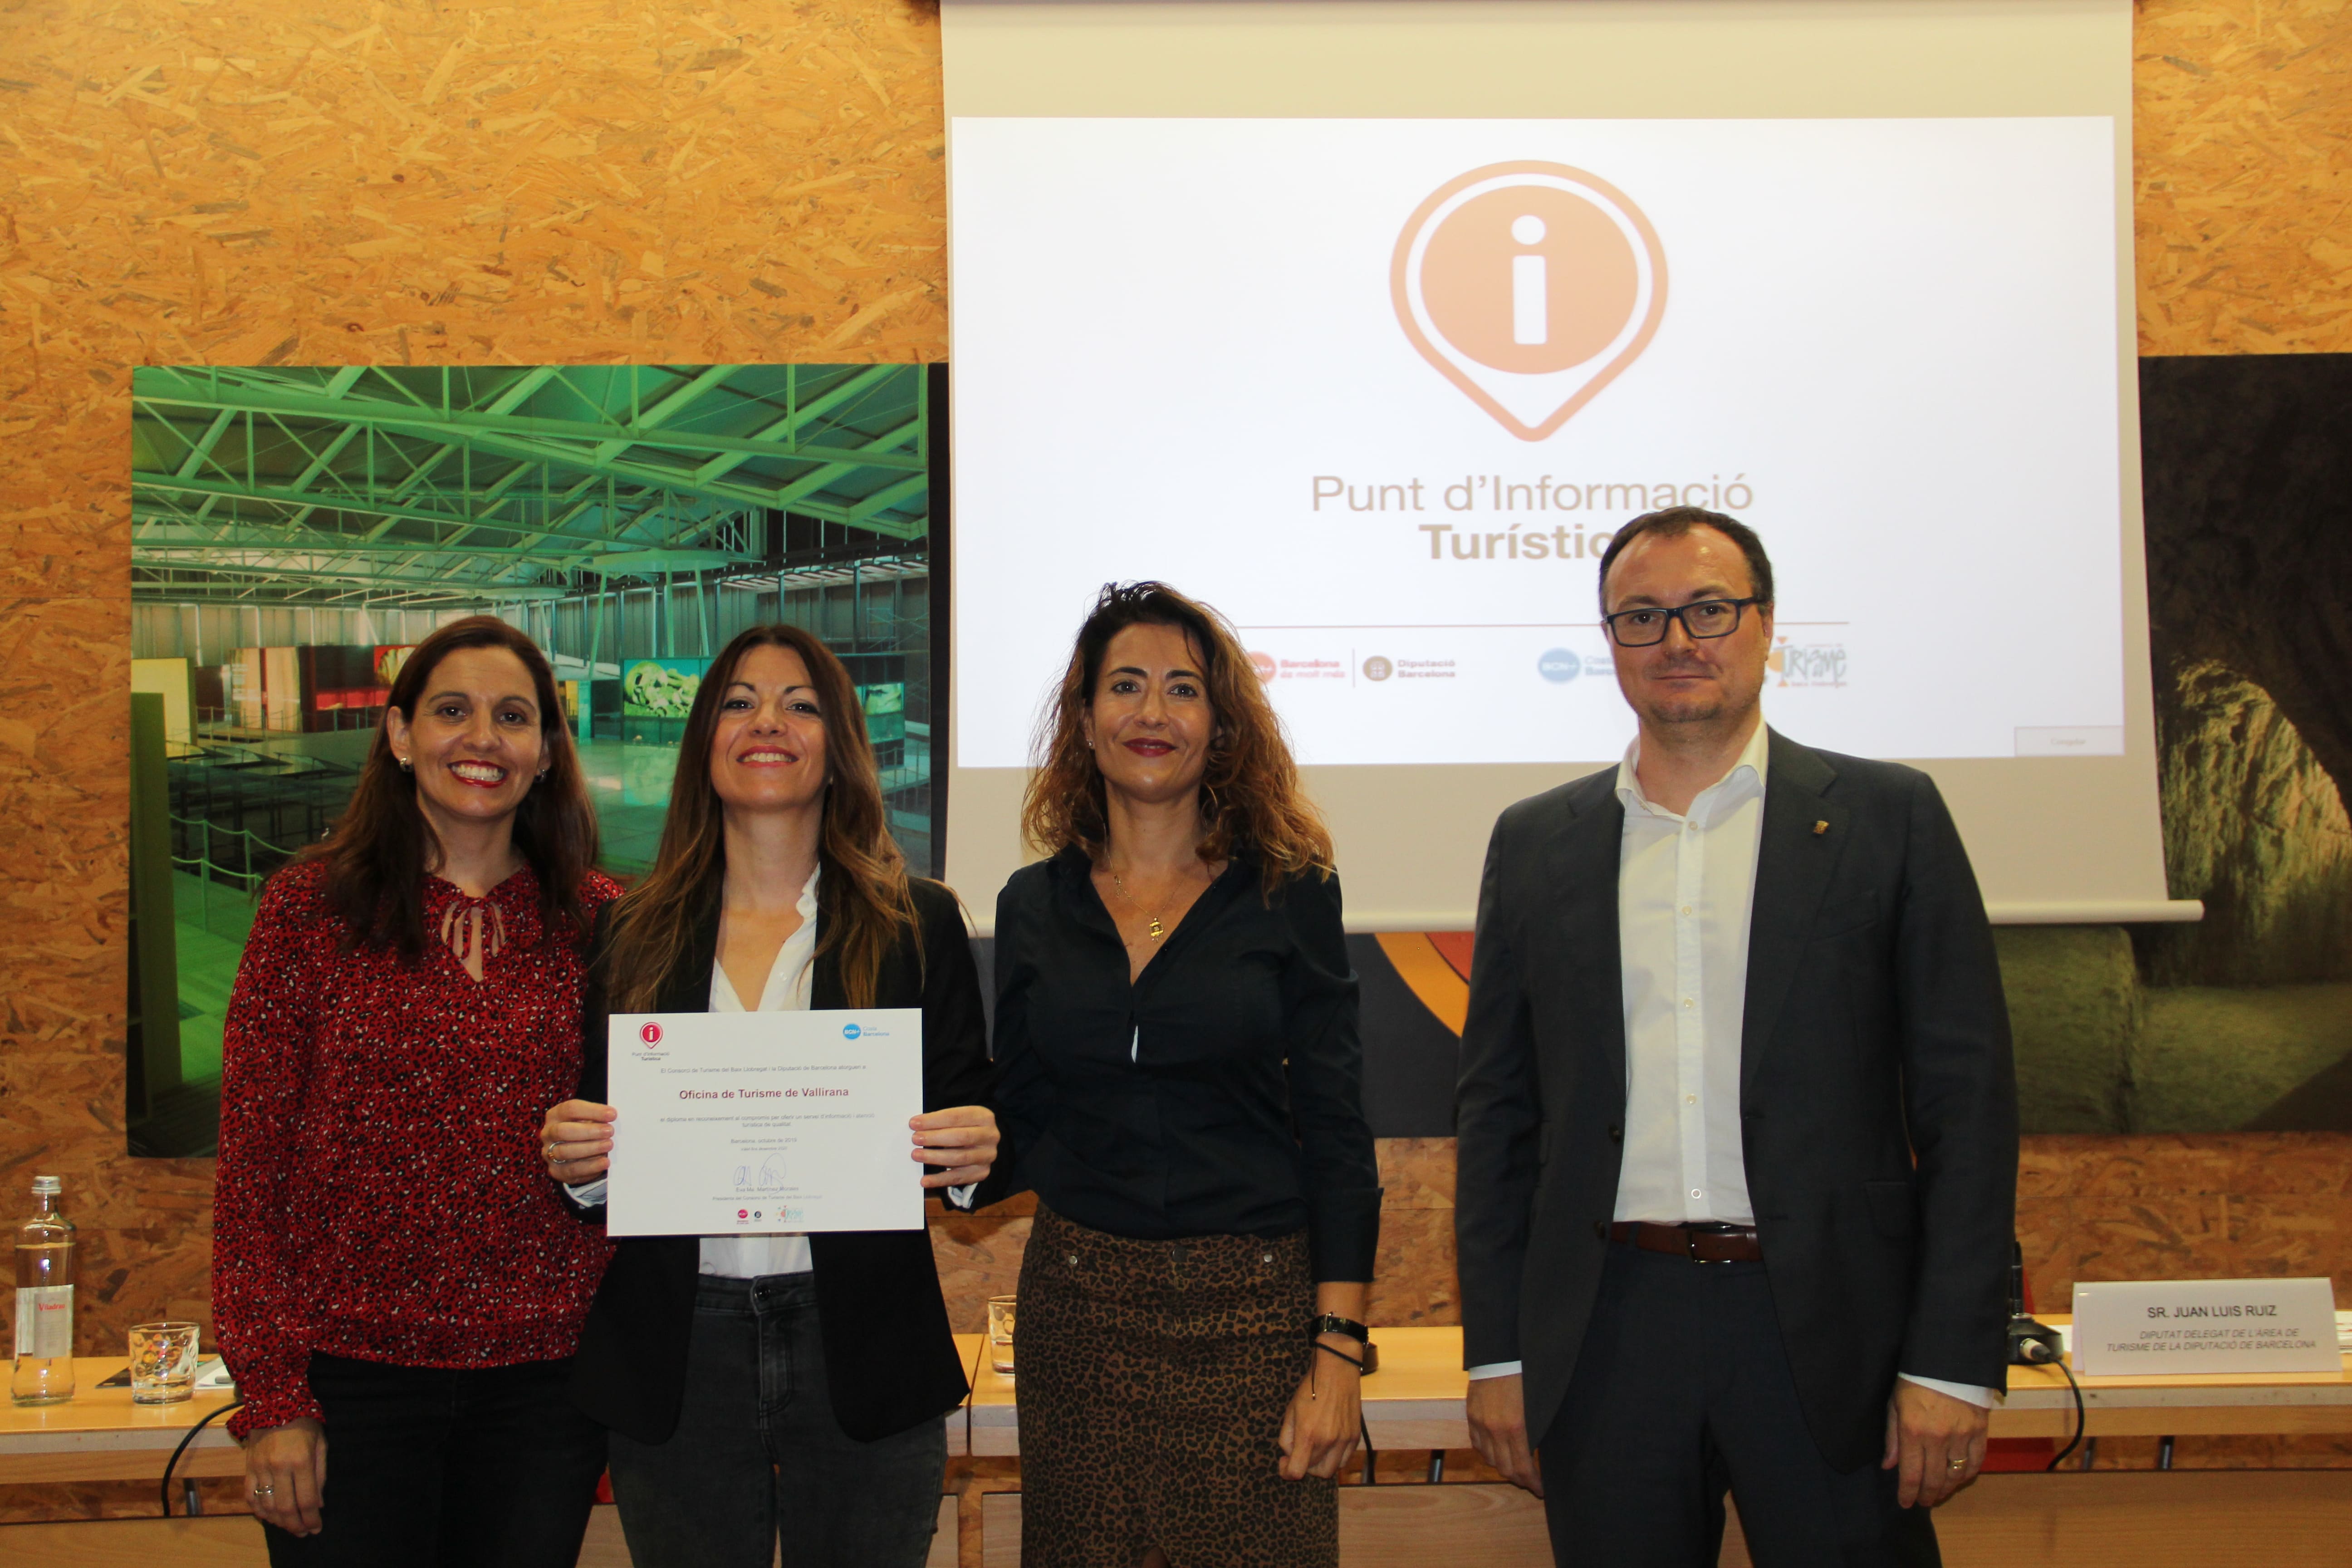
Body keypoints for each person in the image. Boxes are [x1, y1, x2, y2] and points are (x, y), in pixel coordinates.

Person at [1453, 507, 2019, 1566]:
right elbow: (1498, 1117)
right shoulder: (1535, 843)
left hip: (1832, 1334)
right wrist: (1497, 1356)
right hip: (1608, 1331)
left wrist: (1951, 1360)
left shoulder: (1889, 817)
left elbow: (1968, 1106)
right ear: (1610, 641)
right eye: (1641, 617)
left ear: (1766, 625)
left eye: (1708, 610)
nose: (1677, 640)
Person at [534, 624, 1003, 1568]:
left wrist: (973, 1151)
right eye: (740, 702)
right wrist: (579, 1159)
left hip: (861, 1340)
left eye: (801, 705)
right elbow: (598, 1148)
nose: (768, 722)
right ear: (704, 742)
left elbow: (977, 1129)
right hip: (680, 1350)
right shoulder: (630, 931)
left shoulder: (917, 922)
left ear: (840, 747)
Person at [212, 616, 619, 1567]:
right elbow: (253, 1169)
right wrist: (272, 1397)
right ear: (400, 734)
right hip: (348, 1385)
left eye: (514, 717)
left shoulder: (605, 922)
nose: (484, 738)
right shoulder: (309, 911)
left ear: (546, 752)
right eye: (451, 711)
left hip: (547, 1390)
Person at [992, 582, 1382, 1568]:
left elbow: (1336, 1130)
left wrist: (1338, 1348)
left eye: (1183, 689)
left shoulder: (1291, 892)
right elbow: (1020, 1118)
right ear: (1086, 720)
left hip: (1255, 1318)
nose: (1153, 713)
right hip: (1078, 1319)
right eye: (1126, 686)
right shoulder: (1033, 904)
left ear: (1221, 726)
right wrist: (936, 1154)